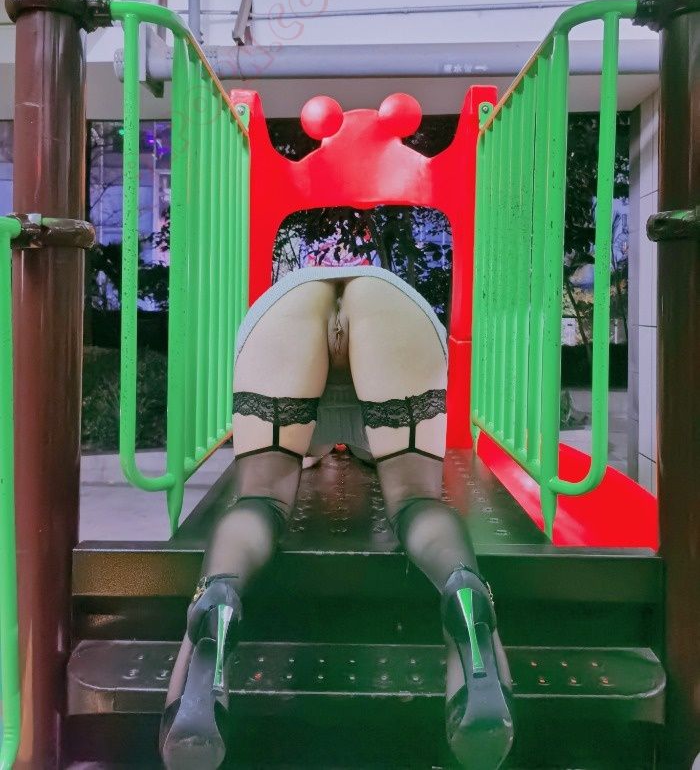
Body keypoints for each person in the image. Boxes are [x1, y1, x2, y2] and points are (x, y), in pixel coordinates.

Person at [159, 265, 514, 769]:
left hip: (287, 306)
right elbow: (374, 457)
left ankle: (214, 602)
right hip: (392, 303)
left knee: (261, 498)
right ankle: (465, 593)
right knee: (416, 499)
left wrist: (307, 451)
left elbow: (306, 456)